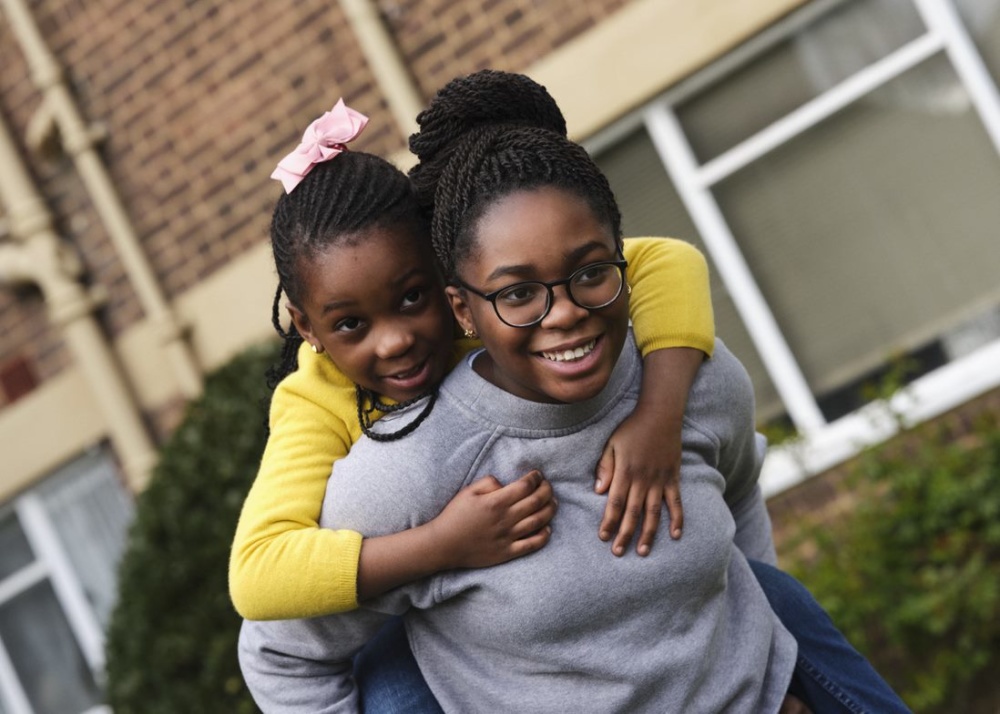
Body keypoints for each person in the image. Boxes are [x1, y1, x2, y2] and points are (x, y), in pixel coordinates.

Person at [238, 74, 910, 713]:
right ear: (466, 301)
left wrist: (659, 416)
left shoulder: (688, 375)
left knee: (774, 594)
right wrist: (442, 544)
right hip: (411, 607)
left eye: (587, 272)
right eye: (517, 292)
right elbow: (267, 608)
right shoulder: (382, 463)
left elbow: (670, 270)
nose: (560, 312)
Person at [228, 98, 716, 626]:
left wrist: (657, 418)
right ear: (306, 328)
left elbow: (669, 259)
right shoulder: (315, 401)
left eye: (413, 298)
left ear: (448, 277)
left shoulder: (492, 311)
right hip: (392, 633)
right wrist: (442, 544)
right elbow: (258, 575)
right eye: (351, 324)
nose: (394, 342)